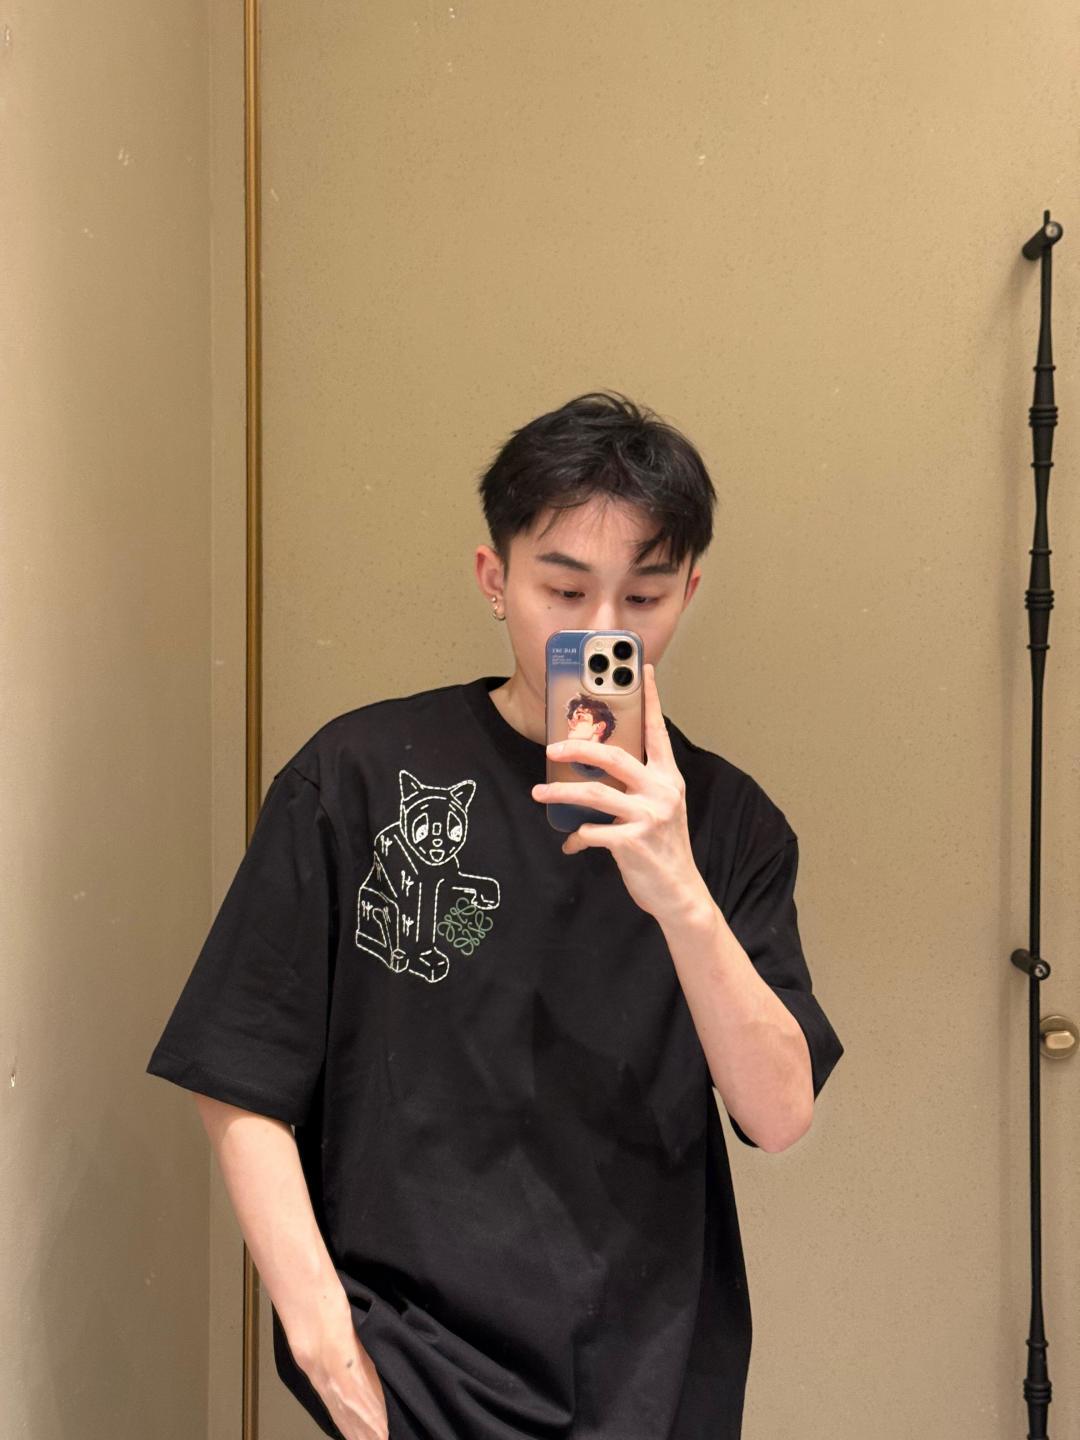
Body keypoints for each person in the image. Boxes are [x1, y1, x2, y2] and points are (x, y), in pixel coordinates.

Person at [146, 390, 844, 1440]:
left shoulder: (730, 823)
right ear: (494, 579)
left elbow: (779, 1115)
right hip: (415, 1375)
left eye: (644, 597)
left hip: (656, 1382)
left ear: (689, 593)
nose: (602, 632)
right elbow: (238, 1070)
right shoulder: (360, 775)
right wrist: (324, 1342)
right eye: (563, 589)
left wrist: (681, 895)